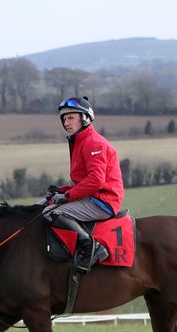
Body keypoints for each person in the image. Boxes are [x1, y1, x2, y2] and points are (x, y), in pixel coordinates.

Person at [42, 96, 125, 273]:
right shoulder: (81, 142)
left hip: (103, 201)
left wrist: (66, 197)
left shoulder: (94, 143)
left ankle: (92, 247)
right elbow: (84, 181)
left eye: (71, 117)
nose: (66, 123)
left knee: (51, 212)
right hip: (92, 197)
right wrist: (61, 191)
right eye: (64, 119)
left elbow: (96, 181)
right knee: (45, 203)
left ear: (85, 118)